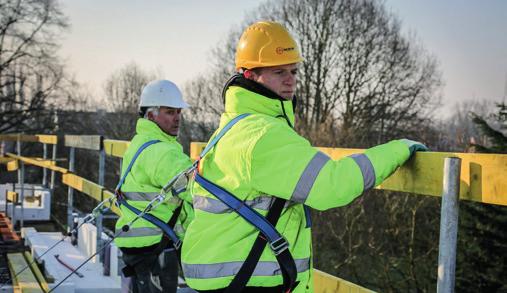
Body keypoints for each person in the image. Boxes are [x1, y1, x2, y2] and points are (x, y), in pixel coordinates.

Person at [181, 21, 428, 293]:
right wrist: (397, 149)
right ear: (250, 76)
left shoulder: (231, 127)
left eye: (293, 71)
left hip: (227, 280)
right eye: (279, 72)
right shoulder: (263, 135)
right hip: (249, 284)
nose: (290, 80)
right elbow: (333, 186)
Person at [114, 79, 194, 293]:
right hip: (157, 244)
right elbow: (198, 188)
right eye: (170, 112)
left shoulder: (139, 143)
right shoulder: (163, 153)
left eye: (178, 112)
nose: (177, 118)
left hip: (137, 242)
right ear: (150, 115)